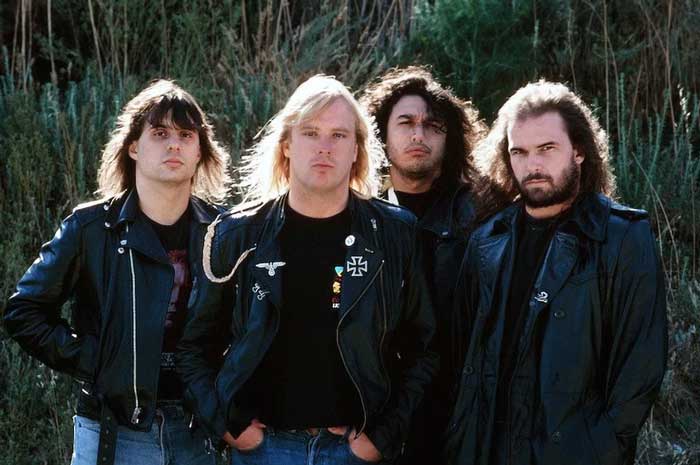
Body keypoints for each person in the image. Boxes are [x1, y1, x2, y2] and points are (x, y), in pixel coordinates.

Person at [176, 75, 438, 465]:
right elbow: (193, 348)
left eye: (338, 135)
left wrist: (380, 438)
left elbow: (425, 350)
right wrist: (229, 426)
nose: (324, 148)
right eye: (311, 133)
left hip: (355, 450)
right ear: (287, 145)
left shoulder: (396, 235)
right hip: (262, 449)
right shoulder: (237, 235)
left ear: (356, 150)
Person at [4, 79, 231, 465]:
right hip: (113, 428)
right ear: (133, 147)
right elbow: (24, 311)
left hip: (198, 431)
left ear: (200, 151)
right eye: (159, 133)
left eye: (185, 135)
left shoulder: (224, 232)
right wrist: (97, 359)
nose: (174, 145)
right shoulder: (90, 229)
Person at [445, 80, 667, 465]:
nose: (533, 165)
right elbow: (458, 356)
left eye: (547, 148)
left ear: (578, 151)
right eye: (519, 152)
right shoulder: (486, 241)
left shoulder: (621, 238)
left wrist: (598, 450)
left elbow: (640, 368)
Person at [360, 66, 490, 464]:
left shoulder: (481, 218)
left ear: (450, 139)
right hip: (373, 421)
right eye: (406, 123)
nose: (419, 135)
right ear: (380, 134)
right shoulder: (356, 214)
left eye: (433, 126)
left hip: (456, 418)